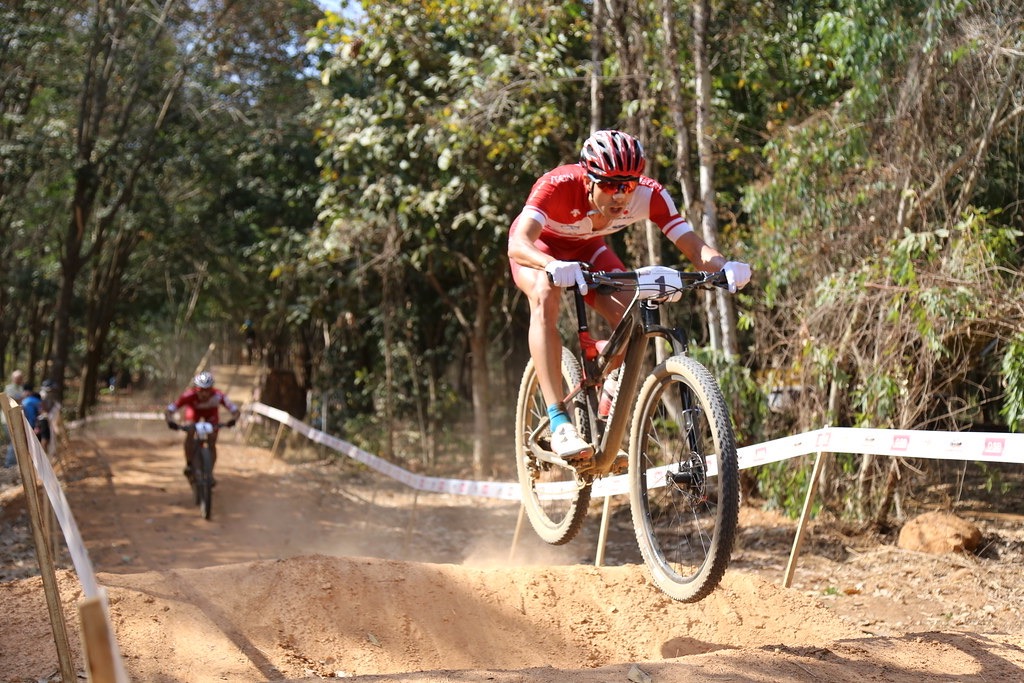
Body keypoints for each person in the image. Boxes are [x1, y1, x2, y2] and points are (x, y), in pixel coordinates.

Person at [507, 130, 752, 459]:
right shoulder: (558, 184)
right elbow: (518, 243)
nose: (620, 195)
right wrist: (551, 264)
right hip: (541, 250)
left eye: (628, 184)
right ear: (588, 180)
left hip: (589, 251)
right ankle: (559, 422)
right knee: (544, 292)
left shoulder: (650, 195)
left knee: (629, 315)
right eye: (609, 185)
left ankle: (608, 394)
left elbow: (692, 245)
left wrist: (724, 267)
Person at [165, 371, 240, 484]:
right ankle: (189, 464)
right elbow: (169, 410)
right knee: (190, 431)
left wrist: (233, 420)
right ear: (196, 388)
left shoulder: (218, 395)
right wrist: (170, 422)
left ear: (212, 388)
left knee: (212, 440)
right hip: (194, 413)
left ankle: (210, 473)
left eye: (207, 390)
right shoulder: (188, 395)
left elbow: (235, 411)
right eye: (201, 390)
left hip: (211, 415)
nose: (204, 394)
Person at [3, 370, 26, 468]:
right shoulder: (9, 388)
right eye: (17, 378)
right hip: (7, 419)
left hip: (18, 418)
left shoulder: (22, 388)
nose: (19, 380)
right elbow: (10, 400)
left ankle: (15, 462)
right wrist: (22, 397)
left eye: (21, 378)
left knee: (17, 440)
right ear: (13, 379)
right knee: (14, 440)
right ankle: (9, 463)